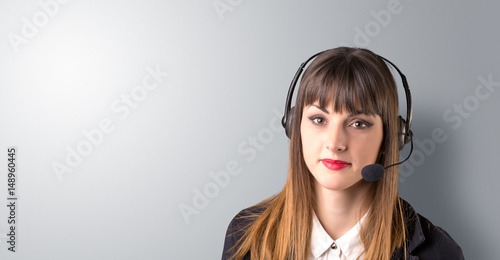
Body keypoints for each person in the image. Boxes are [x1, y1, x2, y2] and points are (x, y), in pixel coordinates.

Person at [222, 47, 464, 260]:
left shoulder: (438, 252)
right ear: (295, 127)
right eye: (319, 119)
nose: (335, 143)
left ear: (391, 137)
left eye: (358, 123)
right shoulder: (246, 235)